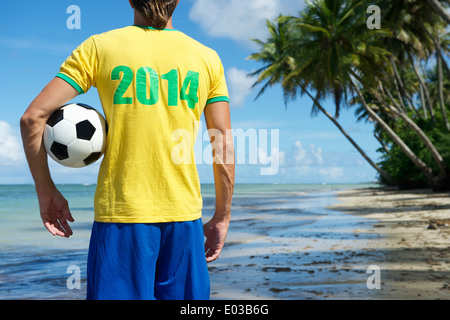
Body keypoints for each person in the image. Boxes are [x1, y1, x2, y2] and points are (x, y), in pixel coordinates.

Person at [20, 0, 235, 300]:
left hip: (120, 220)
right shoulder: (207, 58)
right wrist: (222, 216)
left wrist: (46, 191)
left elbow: (33, 118)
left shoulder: (99, 47)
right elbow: (222, 145)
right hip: (184, 219)